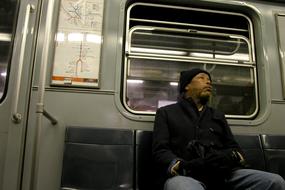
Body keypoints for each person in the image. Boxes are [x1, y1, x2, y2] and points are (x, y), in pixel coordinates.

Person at [152, 68, 285, 190]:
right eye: (202, 78)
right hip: (186, 174)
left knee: (275, 181)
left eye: (209, 80)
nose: (208, 82)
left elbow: (234, 148)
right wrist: (182, 165)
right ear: (187, 86)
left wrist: (227, 157)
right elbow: (161, 150)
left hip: (223, 173)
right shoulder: (167, 113)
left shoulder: (217, 115)